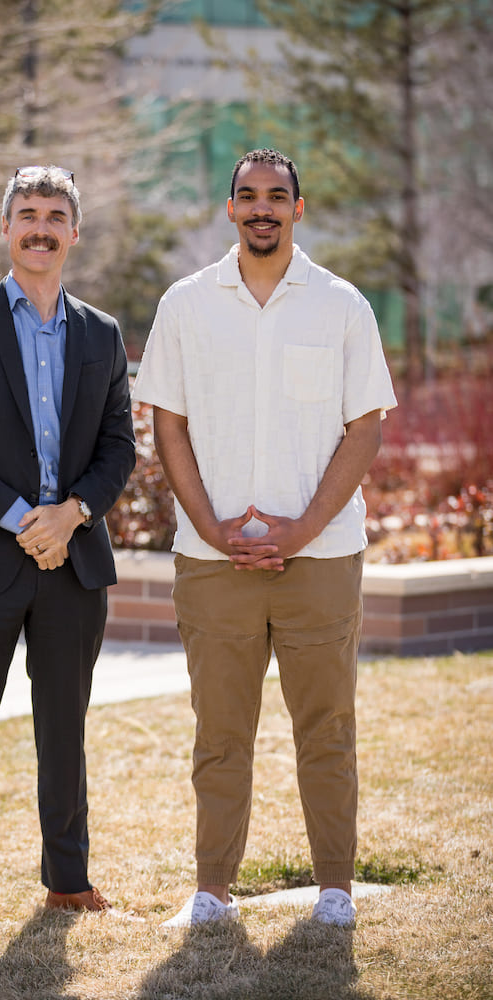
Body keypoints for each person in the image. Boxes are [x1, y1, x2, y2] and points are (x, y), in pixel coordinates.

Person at [133, 148, 397, 928]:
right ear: (229, 209)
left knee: (327, 727)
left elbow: (366, 425)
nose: (261, 208)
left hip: (320, 559)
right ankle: (212, 889)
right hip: (213, 563)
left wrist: (304, 526)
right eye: (247, 195)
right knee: (219, 732)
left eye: (276, 196)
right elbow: (167, 421)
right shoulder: (185, 303)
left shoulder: (343, 304)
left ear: (298, 209)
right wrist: (211, 527)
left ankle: (335, 889)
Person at [0, 165, 136, 936]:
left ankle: (67, 880)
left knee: (64, 727)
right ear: (6, 228)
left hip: (73, 563)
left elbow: (119, 449)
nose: (40, 227)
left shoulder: (102, 335)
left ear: (74, 233)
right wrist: (21, 519)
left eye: (55, 215)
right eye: (27, 213)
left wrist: (71, 515)